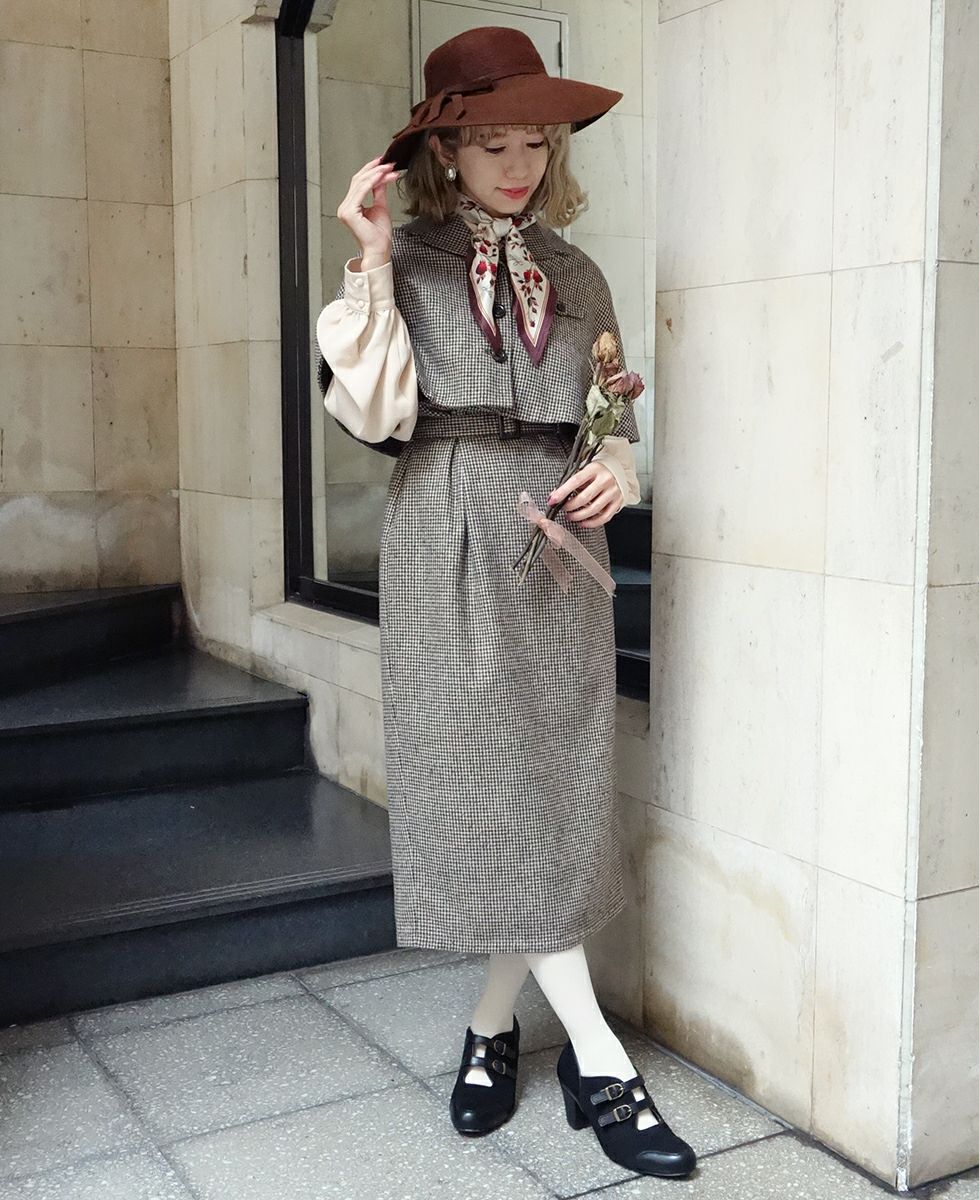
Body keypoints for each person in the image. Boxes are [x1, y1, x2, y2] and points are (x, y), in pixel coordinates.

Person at [315, 25, 696, 1181]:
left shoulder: (579, 274)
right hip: (447, 529)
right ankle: (600, 1061)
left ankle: (490, 1029)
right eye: (492, 144)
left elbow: (611, 408)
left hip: (563, 546)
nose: (519, 164)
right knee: (489, 784)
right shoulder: (404, 260)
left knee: (550, 785)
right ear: (444, 150)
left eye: (536, 142)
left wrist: (618, 465)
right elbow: (372, 412)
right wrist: (368, 259)